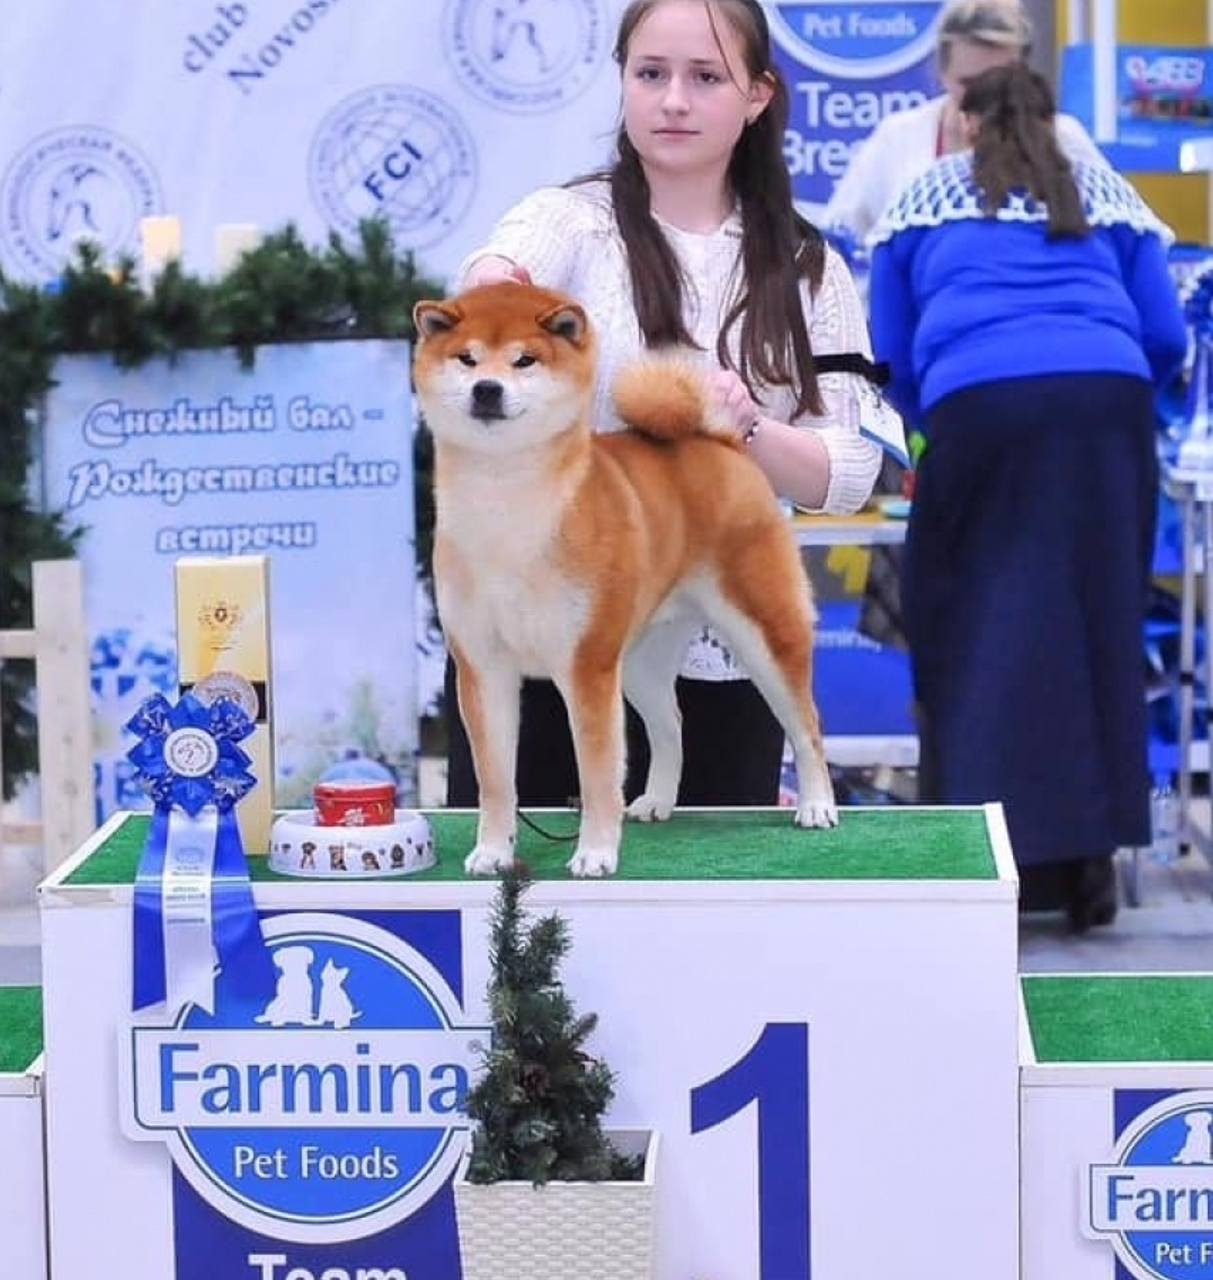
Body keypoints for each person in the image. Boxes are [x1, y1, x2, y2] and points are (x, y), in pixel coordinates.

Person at [440, 0, 902, 810]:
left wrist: (745, 424)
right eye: (650, 74)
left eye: (705, 77)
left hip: (722, 655)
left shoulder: (807, 265)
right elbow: (498, 271)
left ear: (757, 95)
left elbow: (850, 474)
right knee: (523, 923)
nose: (674, 100)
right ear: (623, 81)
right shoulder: (567, 221)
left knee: (716, 920)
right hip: (541, 642)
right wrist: (495, 294)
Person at [867, 63, 1186, 932]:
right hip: (1105, 412)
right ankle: (1087, 868)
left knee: (975, 630)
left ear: (962, 121)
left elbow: (887, 349)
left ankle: (986, 862)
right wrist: (1107, 395)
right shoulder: (1102, 192)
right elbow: (1162, 332)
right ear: (1054, 124)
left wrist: (941, 423)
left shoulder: (923, 195)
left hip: (981, 408)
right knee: (1096, 628)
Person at [823, 0, 1106, 243]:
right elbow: (836, 237)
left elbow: (1128, 224)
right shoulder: (898, 136)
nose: (986, 98)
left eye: (1002, 81)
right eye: (969, 83)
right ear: (941, 72)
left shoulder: (1063, 137)